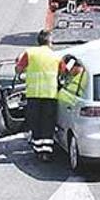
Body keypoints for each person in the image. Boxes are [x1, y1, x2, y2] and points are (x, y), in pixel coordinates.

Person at [16, 30, 65, 162]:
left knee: (35, 122)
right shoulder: (56, 56)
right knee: (48, 124)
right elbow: (64, 71)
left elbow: (18, 69)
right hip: (50, 95)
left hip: (33, 95)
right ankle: (46, 151)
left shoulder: (30, 53)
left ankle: (38, 150)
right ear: (49, 41)